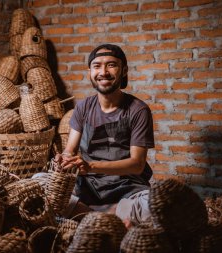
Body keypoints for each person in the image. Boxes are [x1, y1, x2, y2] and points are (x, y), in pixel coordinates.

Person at [56, 44, 155, 228]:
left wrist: (91, 166)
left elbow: (137, 165)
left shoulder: (138, 110)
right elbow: (70, 150)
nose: (103, 72)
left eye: (111, 65)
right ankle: (107, 219)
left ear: (123, 70)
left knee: (154, 206)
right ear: (89, 72)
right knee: (39, 181)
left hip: (127, 190)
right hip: (87, 190)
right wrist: (64, 160)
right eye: (97, 66)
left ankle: (91, 218)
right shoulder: (83, 107)